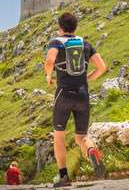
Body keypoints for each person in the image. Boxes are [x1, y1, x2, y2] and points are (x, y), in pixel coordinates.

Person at [45, 12, 107, 187]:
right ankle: (91, 150)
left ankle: (63, 177)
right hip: (82, 94)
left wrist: (48, 77)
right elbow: (102, 67)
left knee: (59, 136)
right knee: (81, 137)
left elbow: (49, 61)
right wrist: (88, 78)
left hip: (63, 94)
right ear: (75, 27)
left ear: (60, 27)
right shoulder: (85, 44)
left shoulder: (56, 42)